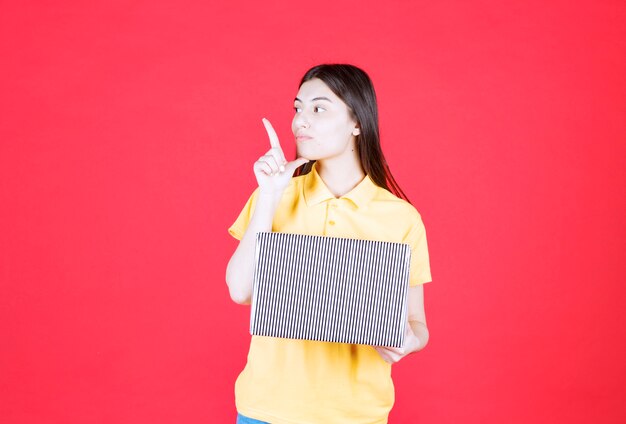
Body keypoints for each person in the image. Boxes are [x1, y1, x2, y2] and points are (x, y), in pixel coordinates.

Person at [225, 64, 432, 424]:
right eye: (298, 108)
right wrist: (270, 195)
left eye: (318, 109)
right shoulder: (276, 195)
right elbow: (240, 291)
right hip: (267, 410)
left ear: (357, 123)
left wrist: (409, 341)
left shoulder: (400, 218)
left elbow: (417, 322)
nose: (300, 121)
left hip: (356, 415)